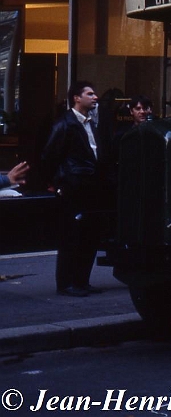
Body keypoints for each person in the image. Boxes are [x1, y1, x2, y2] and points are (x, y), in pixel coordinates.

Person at [41, 81, 108, 297]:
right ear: (76, 98)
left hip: (91, 187)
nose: (95, 97)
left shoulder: (91, 124)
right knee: (71, 236)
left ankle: (81, 280)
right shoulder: (64, 124)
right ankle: (66, 283)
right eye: (90, 93)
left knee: (89, 235)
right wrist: (58, 184)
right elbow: (49, 156)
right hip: (73, 188)